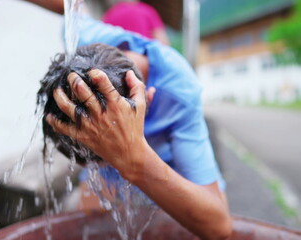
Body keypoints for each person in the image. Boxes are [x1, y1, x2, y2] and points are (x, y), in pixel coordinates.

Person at [25, 1, 232, 239]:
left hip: (168, 161)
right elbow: (71, 5)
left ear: (148, 100)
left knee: (184, 222)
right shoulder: (80, 46)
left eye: (104, 160)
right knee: (89, 228)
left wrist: (135, 161)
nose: (110, 165)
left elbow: (219, 226)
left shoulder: (179, 93)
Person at [103, 1, 170, 45]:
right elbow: (163, 42)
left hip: (119, 60)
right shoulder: (147, 11)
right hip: (144, 60)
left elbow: (104, 40)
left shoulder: (111, 13)